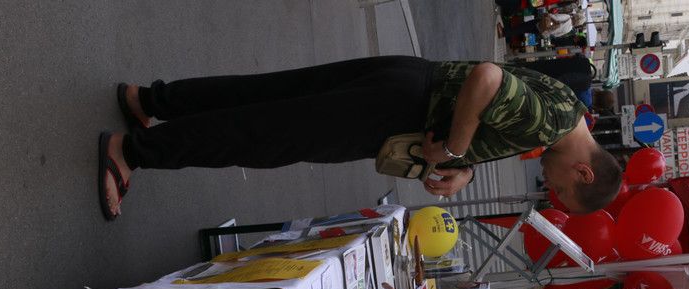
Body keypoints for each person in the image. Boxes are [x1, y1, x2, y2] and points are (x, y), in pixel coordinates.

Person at [99, 57, 622, 220]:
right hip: (394, 114)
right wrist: (454, 149)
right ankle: (131, 152)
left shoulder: (568, 108)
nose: (547, 184)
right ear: (584, 172)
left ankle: (150, 100)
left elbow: (489, 104)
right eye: (560, 189)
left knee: (268, 93)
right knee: (262, 136)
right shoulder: (549, 126)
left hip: (407, 79)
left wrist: (465, 167)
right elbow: (487, 80)